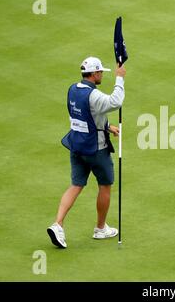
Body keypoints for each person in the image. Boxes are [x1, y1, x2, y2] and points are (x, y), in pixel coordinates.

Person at [47, 57, 126, 248]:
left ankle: (58, 224)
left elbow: (86, 115)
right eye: (100, 72)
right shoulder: (94, 95)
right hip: (95, 149)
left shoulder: (73, 89)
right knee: (105, 184)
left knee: (76, 185)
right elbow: (115, 102)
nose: (101, 75)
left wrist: (107, 126)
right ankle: (100, 228)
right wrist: (119, 78)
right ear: (94, 74)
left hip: (77, 145)